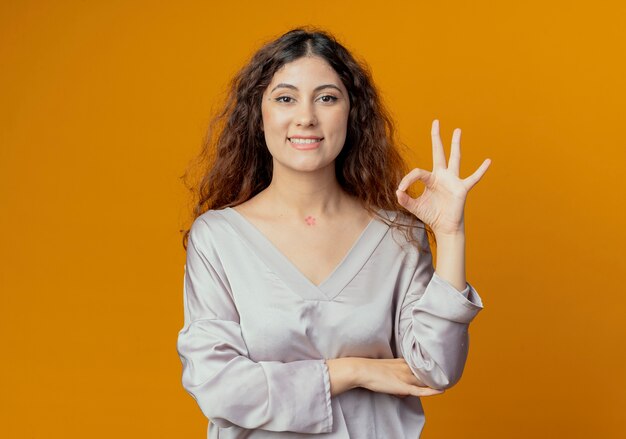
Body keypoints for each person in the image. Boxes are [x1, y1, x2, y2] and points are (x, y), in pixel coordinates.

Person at [176, 26, 491, 439]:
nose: (306, 116)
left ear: (351, 112)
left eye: (326, 97)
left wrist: (450, 234)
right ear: (259, 114)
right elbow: (218, 386)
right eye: (285, 98)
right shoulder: (217, 238)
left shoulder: (397, 236)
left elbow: (436, 368)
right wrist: (353, 371)